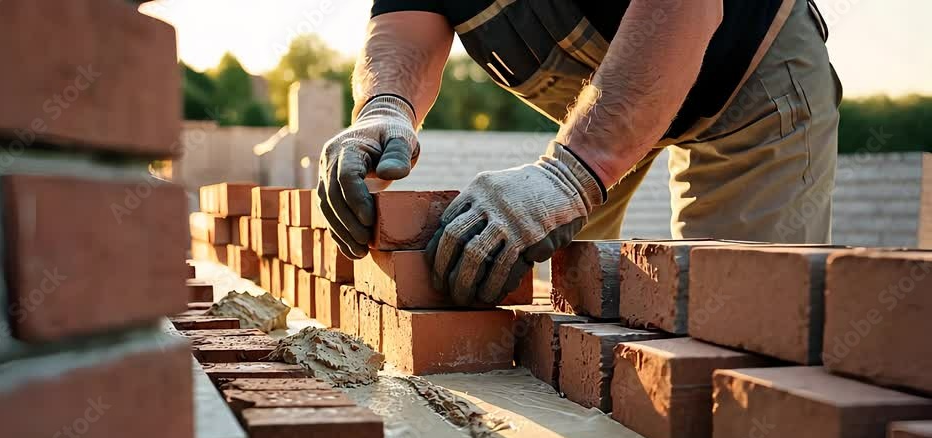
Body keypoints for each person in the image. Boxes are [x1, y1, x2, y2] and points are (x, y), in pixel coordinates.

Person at [316, 0, 841, 305]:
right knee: (570, 308)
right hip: (594, 101)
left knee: (742, 320)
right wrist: (385, 105)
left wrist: (573, 174)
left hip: (745, 82)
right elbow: (407, 22)